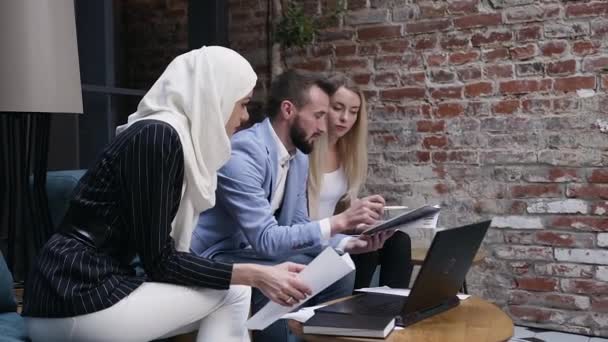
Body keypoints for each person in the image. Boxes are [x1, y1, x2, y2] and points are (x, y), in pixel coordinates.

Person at [22, 46, 312, 342]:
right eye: (242, 103)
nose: (244, 116)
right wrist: (256, 274)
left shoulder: (170, 137)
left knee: (228, 292)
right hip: (74, 298)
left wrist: (259, 272)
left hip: (84, 295)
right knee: (235, 291)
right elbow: (160, 262)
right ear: (215, 96)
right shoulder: (158, 137)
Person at [192, 70, 394, 342]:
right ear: (289, 110)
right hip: (212, 257)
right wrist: (339, 222)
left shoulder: (298, 157)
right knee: (283, 274)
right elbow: (266, 239)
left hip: (250, 251)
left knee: (339, 269)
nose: (323, 128)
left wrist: (346, 243)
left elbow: (296, 226)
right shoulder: (244, 152)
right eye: (319, 115)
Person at [308, 74, 413, 291]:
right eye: (338, 108)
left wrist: (365, 221)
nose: (345, 118)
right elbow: (301, 220)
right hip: (313, 241)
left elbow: (343, 211)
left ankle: (394, 314)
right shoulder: (305, 152)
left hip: (336, 235)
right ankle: (356, 316)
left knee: (398, 241)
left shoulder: (349, 154)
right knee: (367, 251)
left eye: (353, 112)